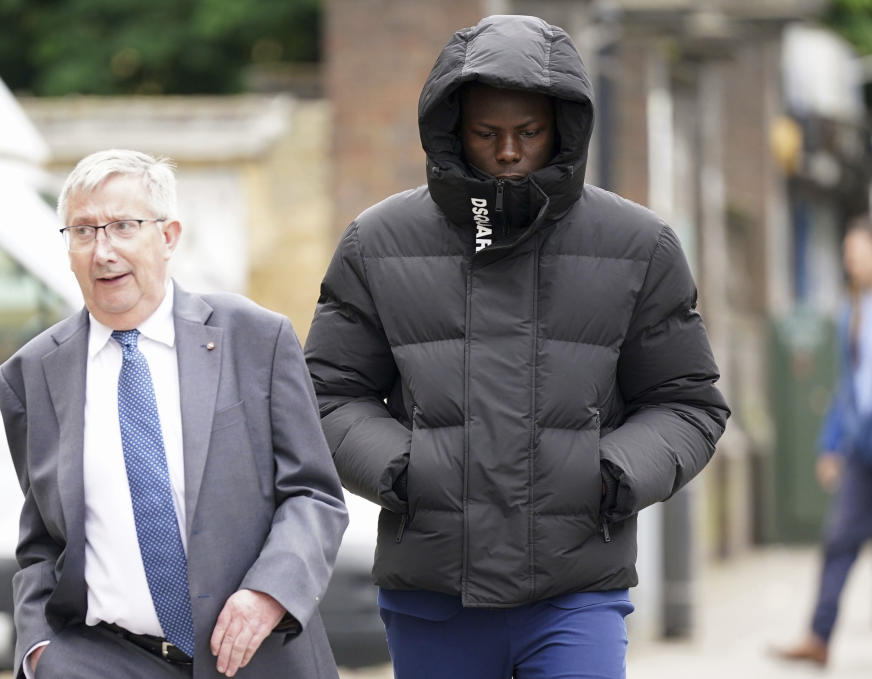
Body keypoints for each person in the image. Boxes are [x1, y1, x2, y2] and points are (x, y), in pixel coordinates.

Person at [305, 14, 729, 679]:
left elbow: (688, 402)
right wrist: (406, 469)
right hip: (433, 592)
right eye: (486, 133)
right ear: (452, 128)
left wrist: (610, 474)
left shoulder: (638, 246)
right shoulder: (378, 242)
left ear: (562, 127)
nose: (508, 152)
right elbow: (329, 393)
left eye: (528, 132)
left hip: (575, 589)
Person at [0, 149, 348, 679]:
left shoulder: (255, 338)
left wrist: (269, 591)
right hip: (103, 660)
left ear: (167, 236)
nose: (103, 251)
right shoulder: (30, 376)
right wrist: (41, 652)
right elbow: (42, 541)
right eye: (83, 231)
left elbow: (314, 494)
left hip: (257, 657)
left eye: (122, 226)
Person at [776, 218, 872, 667]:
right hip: (862, 450)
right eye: (847, 254)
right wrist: (830, 444)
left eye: (857, 251)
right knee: (838, 540)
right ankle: (819, 636)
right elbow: (846, 385)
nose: (850, 261)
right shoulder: (850, 312)